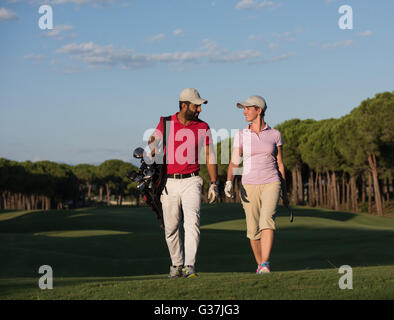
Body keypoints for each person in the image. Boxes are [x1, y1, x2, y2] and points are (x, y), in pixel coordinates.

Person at [148, 88, 218, 278]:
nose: (199, 110)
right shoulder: (166, 122)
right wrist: (153, 145)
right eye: (196, 106)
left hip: (192, 181)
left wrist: (214, 183)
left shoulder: (203, 127)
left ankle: (190, 266)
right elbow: (154, 139)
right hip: (169, 182)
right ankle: (176, 264)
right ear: (184, 105)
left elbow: (210, 155)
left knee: (192, 223)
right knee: (171, 227)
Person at [225, 95, 287, 274]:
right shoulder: (241, 135)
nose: (244, 112)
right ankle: (260, 265)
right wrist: (229, 181)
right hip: (248, 185)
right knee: (253, 229)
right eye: (243, 109)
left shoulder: (275, 134)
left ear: (258, 110)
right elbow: (234, 162)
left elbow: (280, 163)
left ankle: (265, 263)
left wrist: (284, 188)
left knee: (267, 221)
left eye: (247, 108)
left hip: (271, 182)